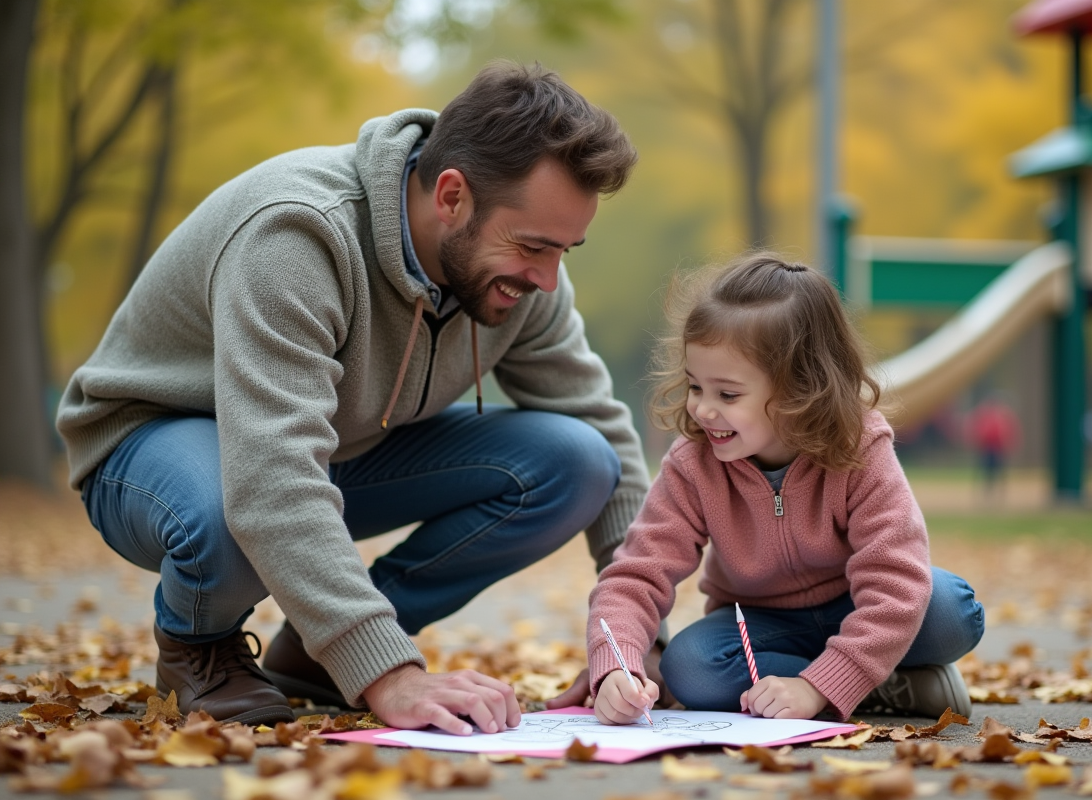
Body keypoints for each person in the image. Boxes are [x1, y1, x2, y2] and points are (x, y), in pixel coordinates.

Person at [55, 61, 653, 735]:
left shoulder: (518, 279)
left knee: (580, 460)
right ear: (452, 196)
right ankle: (200, 645)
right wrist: (390, 679)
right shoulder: (298, 234)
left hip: (327, 451)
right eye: (535, 246)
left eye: (566, 250)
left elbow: (602, 426)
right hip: (154, 446)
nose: (547, 278)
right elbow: (270, 474)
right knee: (230, 508)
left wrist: (632, 637)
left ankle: (319, 653)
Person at [585, 253, 985, 725]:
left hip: (859, 602)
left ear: (802, 389)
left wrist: (816, 687)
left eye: (727, 394)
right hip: (761, 625)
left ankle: (840, 682)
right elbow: (635, 575)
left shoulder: (860, 448)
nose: (703, 410)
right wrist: (616, 666)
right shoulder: (693, 465)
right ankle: (893, 686)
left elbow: (895, 580)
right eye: (696, 386)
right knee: (691, 668)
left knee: (949, 612)